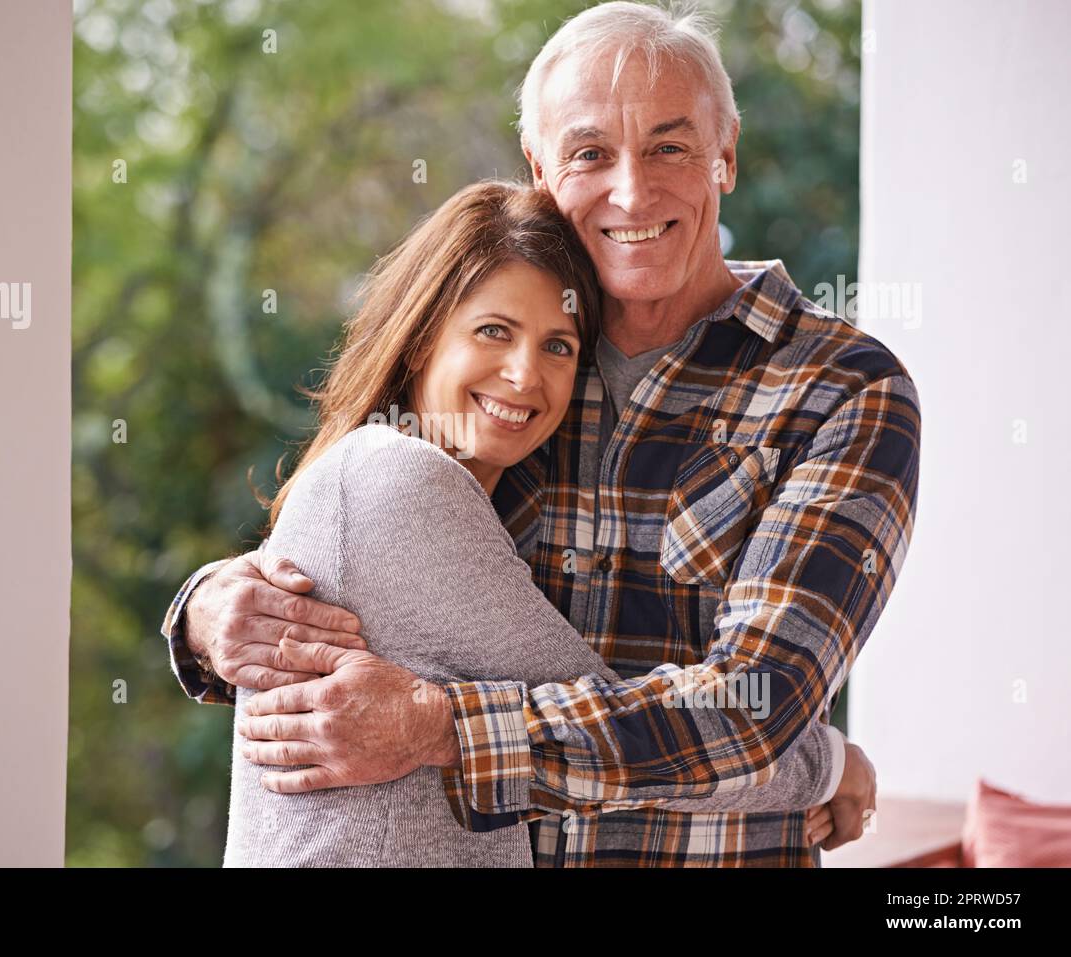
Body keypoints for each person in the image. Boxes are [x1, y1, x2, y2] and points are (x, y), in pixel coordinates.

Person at [164, 1, 914, 867]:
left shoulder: (842, 389)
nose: (632, 191)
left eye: (671, 146)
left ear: (727, 156)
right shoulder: (510, 377)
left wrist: (437, 727)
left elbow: (755, 709)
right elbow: (353, 547)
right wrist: (207, 611)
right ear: (540, 169)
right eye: (591, 153)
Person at [214, 180, 848, 866]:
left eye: (558, 346)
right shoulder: (403, 483)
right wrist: (832, 765)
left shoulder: (421, 484)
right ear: (423, 336)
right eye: (494, 331)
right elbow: (629, 740)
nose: (524, 374)